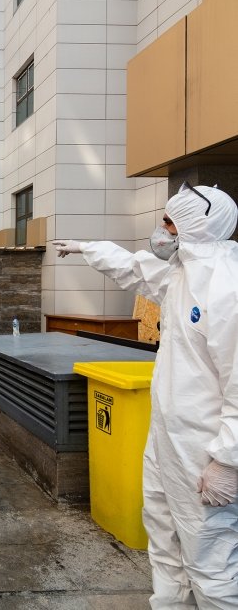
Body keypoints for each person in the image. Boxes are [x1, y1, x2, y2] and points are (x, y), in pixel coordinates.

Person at [54, 182, 238, 608]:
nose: (161, 231)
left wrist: (228, 460)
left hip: (204, 452)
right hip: (168, 444)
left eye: (169, 222)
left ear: (196, 227)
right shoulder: (182, 274)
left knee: (211, 561)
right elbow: (134, 267)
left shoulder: (226, 288)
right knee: (164, 539)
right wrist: (87, 247)